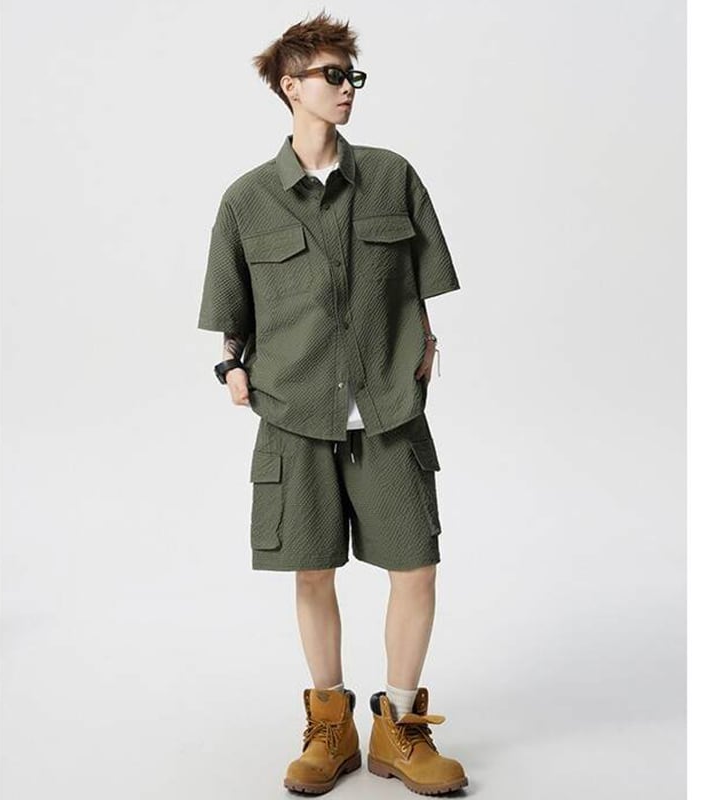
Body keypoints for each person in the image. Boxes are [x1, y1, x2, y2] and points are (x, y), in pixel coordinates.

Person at [197, 10, 468, 796]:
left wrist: (424, 341)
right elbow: (232, 311)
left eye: (353, 76)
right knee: (311, 572)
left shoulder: (392, 176)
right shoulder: (247, 200)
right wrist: (231, 367)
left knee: (416, 568)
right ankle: (331, 726)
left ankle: (400, 729)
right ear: (291, 87)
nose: (348, 89)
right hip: (294, 414)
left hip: (388, 410)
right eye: (333, 75)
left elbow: (421, 283)